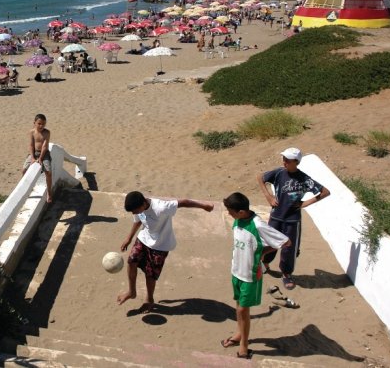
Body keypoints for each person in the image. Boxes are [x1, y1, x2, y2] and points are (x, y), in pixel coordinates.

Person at [117, 191, 214, 311]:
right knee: (131, 261)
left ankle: (149, 299)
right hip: (144, 238)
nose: (134, 213)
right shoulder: (138, 208)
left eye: (135, 210)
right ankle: (132, 292)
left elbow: (184, 202)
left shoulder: (161, 207)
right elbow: (138, 220)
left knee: (150, 274)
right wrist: (129, 238)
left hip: (160, 245)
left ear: (143, 203)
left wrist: (204, 206)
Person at [222, 192, 290, 359]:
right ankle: (239, 334)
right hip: (236, 271)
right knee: (239, 307)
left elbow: (284, 241)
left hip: (250, 275)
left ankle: (244, 344)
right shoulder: (238, 220)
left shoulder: (258, 225)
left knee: (244, 309)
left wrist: (261, 253)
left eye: (231, 211)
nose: (229, 214)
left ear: (241, 212)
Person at [256, 147, 330, 290]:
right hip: (276, 216)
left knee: (289, 248)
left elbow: (325, 192)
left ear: (296, 162)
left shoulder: (304, 179)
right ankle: (265, 265)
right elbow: (260, 177)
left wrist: (305, 203)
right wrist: (268, 196)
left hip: (292, 220)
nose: (284, 161)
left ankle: (286, 274)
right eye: (283, 158)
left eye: (287, 160)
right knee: (269, 243)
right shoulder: (278, 173)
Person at [21, 114, 53, 203]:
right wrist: (32, 157)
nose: (41, 126)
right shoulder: (32, 132)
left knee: (48, 172)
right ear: (34, 123)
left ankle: (49, 192)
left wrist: (41, 158)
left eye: (43, 124)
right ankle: (26, 190)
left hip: (44, 154)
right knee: (24, 170)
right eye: (39, 123)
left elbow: (45, 146)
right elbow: (31, 145)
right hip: (33, 153)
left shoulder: (47, 132)